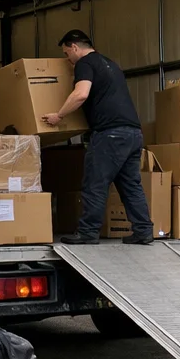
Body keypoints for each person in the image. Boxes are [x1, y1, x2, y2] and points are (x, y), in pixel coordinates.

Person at [43, 29, 154, 245]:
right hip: (133, 133)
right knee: (130, 185)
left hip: (110, 134)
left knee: (95, 182)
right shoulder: (110, 64)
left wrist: (59, 115)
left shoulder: (85, 63)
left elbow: (81, 94)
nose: (67, 59)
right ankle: (143, 230)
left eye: (66, 53)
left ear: (75, 47)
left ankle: (88, 232)